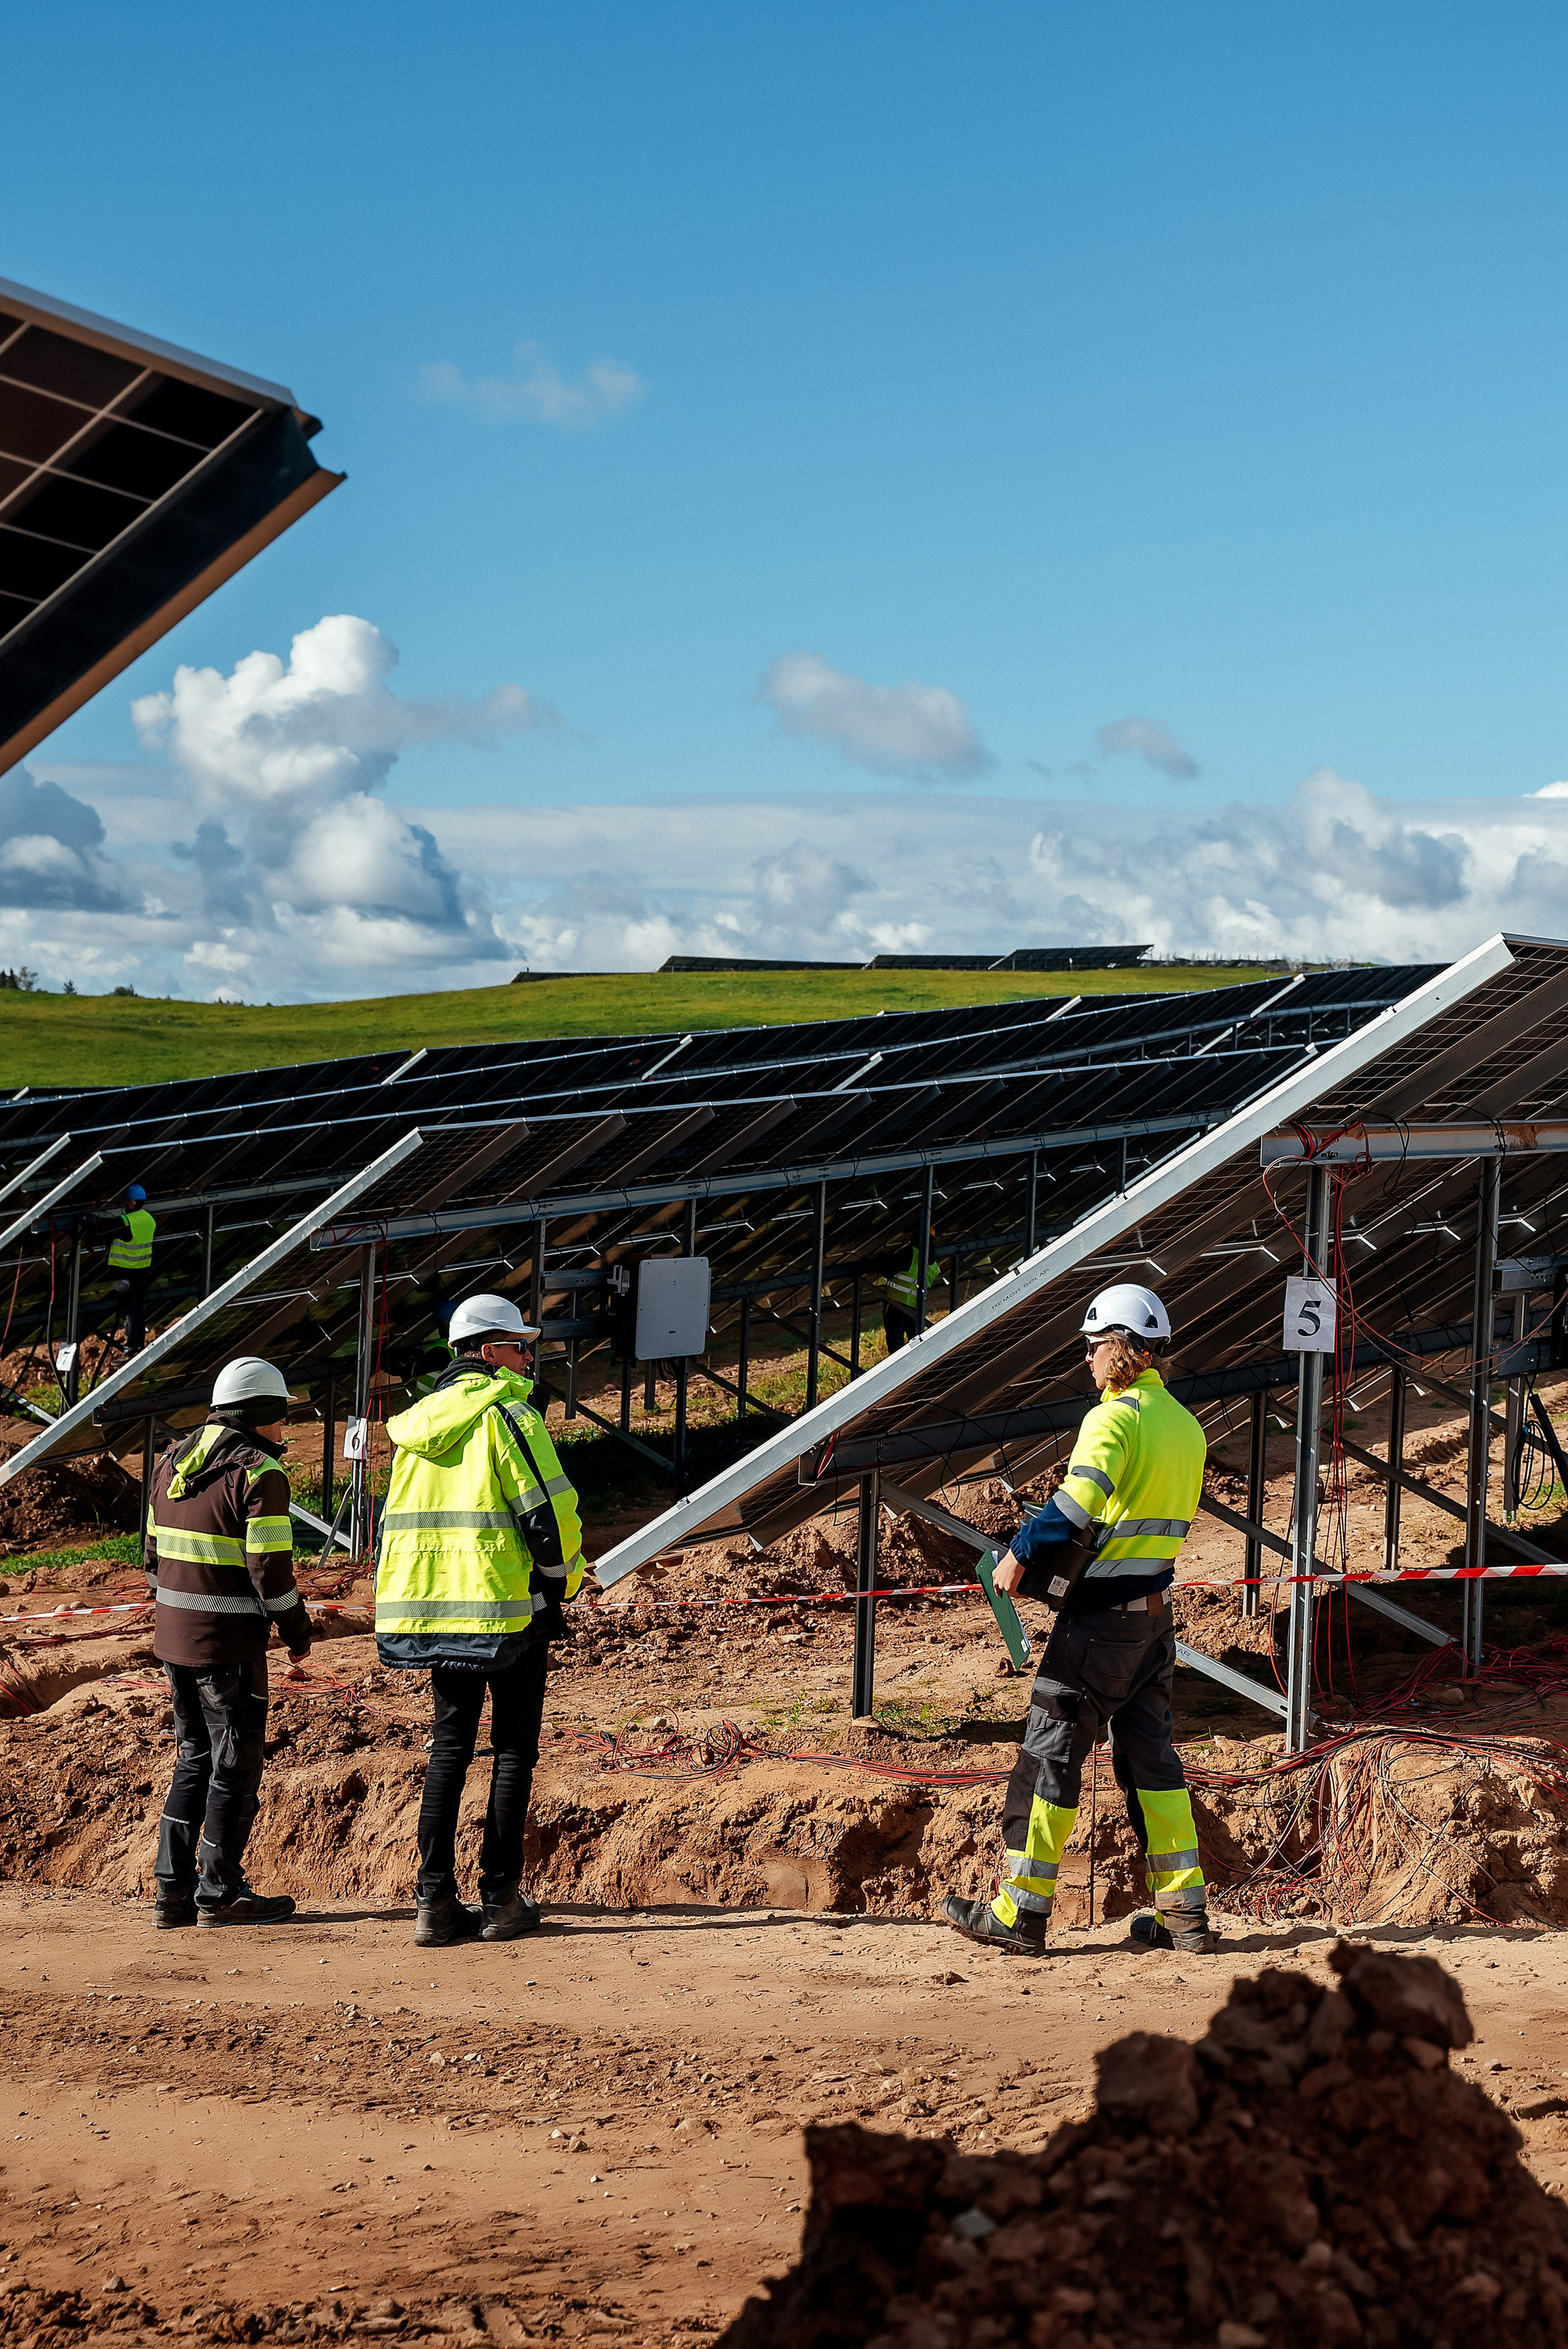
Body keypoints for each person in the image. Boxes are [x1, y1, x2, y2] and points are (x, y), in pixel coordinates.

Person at [943, 1282, 1215, 1957]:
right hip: (1155, 1621)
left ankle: (1021, 1911)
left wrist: (1017, 1556)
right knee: (1152, 1761)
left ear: (1120, 1348)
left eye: (1093, 1348)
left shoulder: (1113, 1417)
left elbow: (1074, 1506)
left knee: (1049, 1754)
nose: (1088, 1361)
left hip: (1098, 1625)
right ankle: (1184, 1916)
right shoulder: (1186, 1425)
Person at [375, 1292, 586, 1948]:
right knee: (514, 1749)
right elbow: (547, 1514)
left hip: (431, 1612)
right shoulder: (507, 1414)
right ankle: (500, 1900)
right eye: (521, 1346)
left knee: (448, 1752)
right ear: (490, 1350)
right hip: (504, 1610)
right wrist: (564, 1584)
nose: (530, 1357)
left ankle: (433, 1903)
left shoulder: (416, 1427)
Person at [145, 1356, 311, 1930]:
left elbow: (151, 1556)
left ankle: (172, 1892)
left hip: (173, 1642)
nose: (286, 1427)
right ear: (261, 1414)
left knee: (193, 1757)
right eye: (282, 1414)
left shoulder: (170, 1461)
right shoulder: (259, 1473)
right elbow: (270, 1572)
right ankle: (219, 1894)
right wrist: (297, 1631)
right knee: (234, 1766)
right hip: (228, 1650)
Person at [108, 1184, 157, 1354]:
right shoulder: (149, 1219)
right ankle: (137, 1345)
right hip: (143, 1272)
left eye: (127, 1200)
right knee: (136, 1309)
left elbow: (103, 1230)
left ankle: (132, 1346)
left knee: (130, 1311)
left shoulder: (128, 1221)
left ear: (134, 1203)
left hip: (129, 1272)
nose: (125, 1203)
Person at [881, 1226, 943, 1352]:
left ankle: (899, 1368)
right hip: (916, 1306)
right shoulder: (933, 1263)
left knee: (895, 1341)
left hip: (895, 1303)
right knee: (916, 1341)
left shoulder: (910, 1253)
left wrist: (881, 1259)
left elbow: (887, 1271)